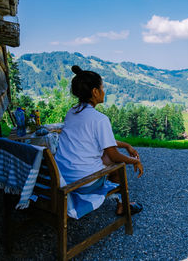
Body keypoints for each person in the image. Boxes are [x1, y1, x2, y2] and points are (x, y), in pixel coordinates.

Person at [55, 65, 143, 215]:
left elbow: (101, 141)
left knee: (106, 156)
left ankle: (123, 203)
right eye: (102, 88)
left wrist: (126, 145)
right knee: (117, 164)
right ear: (95, 92)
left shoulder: (72, 112)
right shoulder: (100, 119)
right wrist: (135, 161)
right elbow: (114, 155)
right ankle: (123, 205)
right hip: (82, 183)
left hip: (63, 178)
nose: (104, 91)